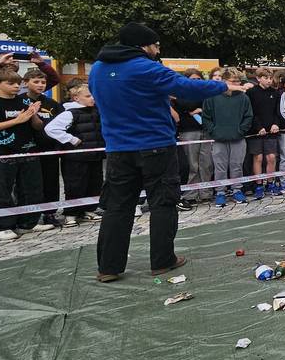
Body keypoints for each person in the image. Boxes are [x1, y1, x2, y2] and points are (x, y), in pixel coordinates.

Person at [88, 23, 244, 282]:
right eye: (156, 45)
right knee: (163, 203)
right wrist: (222, 87)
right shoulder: (147, 67)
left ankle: (108, 267)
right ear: (143, 45)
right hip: (155, 145)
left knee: (117, 208)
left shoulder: (98, 69)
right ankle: (162, 260)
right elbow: (185, 87)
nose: (158, 50)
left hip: (118, 148)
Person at [0, 68, 51, 241]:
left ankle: (28, 222)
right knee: (1, 190)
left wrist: (33, 115)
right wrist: (16, 120)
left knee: (31, 188)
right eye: (10, 83)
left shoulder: (23, 101)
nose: (16, 86)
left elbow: (37, 127)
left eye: (17, 83)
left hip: (27, 150)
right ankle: (3, 226)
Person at [45, 80, 105, 226]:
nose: (92, 98)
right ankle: (71, 213)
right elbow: (51, 129)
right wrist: (71, 139)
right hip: (76, 158)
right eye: (88, 96)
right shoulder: (70, 113)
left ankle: (88, 210)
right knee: (75, 185)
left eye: (93, 96)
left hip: (95, 155)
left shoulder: (96, 110)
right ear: (76, 98)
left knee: (94, 184)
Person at [203, 67, 254, 207]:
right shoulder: (212, 97)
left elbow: (248, 117)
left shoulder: (243, 98)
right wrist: (214, 131)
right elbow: (206, 117)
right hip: (219, 138)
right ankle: (220, 192)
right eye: (233, 81)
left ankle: (237, 189)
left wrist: (240, 130)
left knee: (237, 165)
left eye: (238, 81)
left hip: (238, 137)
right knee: (220, 167)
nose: (237, 84)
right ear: (225, 81)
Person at [23, 68, 64, 228]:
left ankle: (49, 213)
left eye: (43, 82)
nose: (40, 85)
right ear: (26, 83)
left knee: (50, 182)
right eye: (36, 82)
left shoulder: (51, 104)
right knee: (30, 184)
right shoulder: (19, 100)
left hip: (49, 149)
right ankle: (30, 216)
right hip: (28, 149)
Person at [173, 69, 213, 206]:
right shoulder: (180, 93)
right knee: (192, 164)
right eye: (193, 79)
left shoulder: (205, 92)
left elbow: (209, 105)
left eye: (198, 79)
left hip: (205, 130)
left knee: (206, 163)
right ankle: (191, 193)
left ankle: (206, 192)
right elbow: (186, 105)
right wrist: (197, 105)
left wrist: (200, 109)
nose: (196, 82)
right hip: (188, 131)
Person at [246, 67, 281, 198]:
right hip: (256, 132)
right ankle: (259, 184)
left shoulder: (275, 93)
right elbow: (251, 112)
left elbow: (277, 112)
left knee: (271, 157)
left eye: (270, 78)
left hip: (272, 130)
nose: (268, 81)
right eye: (265, 78)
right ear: (258, 78)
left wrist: (275, 124)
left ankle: (270, 183)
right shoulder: (251, 92)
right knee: (258, 158)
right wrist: (258, 127)